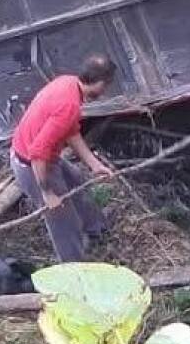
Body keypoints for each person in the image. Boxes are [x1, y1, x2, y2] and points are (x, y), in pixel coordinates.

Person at [9, 55, 119, 262]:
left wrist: (95, 164)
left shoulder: (68, 83)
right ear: (101, 83)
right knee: (62, 219)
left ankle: (97, 230)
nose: (105, 92)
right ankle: (74, 267)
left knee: (76, 181)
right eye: (106, 86)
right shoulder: (68, 105)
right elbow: (37, 153)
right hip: (31, 165)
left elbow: (71, 132)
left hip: (46, 157)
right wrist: (47, 192)